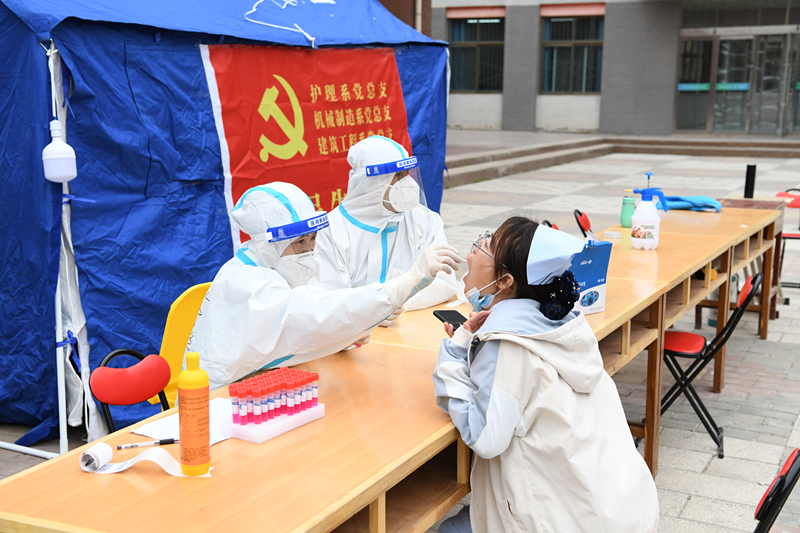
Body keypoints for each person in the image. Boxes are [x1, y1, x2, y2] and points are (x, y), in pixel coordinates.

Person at [434, 217, 659, 533]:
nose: (474, 248)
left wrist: (455, 352)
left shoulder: (506, 345)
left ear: (505, 281)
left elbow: (485, 438)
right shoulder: (563, 324)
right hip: (622, 510)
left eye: (485, 244)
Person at [188, 182, 462, 390]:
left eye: (312, 238)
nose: (309, 250)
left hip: (263, 386)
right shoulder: (247, 286)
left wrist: (345, 333)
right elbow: (312, 316)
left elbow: (319, 310)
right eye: (299, 242)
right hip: (218, 402)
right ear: (268, 244)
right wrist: (407, 283)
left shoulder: (278, 265)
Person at [315, 136, 457, 325]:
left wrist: (397, 302)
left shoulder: (425, 220)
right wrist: (374, 307)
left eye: (407, 173)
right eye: (397, 176)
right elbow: (331, 299)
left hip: (410, 331)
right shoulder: (332, 231)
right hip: (353, 336)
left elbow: (444, 282)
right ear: (370, 184)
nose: (407, 183)